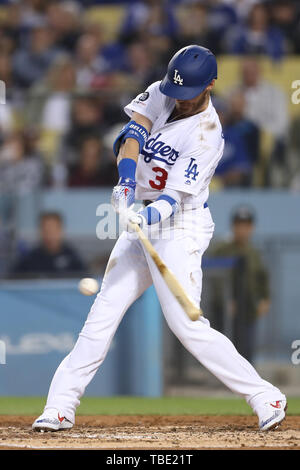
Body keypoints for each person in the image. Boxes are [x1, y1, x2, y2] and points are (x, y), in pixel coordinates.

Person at [32, 45, 286, 433]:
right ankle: (60, 406)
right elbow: (132, 136)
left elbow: (173, 200)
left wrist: (144, 214)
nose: (179, 101)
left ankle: (265, 395)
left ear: (211, 86)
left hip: (180, 224)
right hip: (143, 216)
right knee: (103, 312)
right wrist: (126, 182)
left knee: (186, 324)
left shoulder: (208, 135)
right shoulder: (162, 91)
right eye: (176, 92)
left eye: (188, 95)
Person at [211, 206, 270, 363]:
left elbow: (262, 277)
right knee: (227, 348)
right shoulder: (222, 250)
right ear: (233, 227)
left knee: (247, 347)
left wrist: (265, 298)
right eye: (239, 225)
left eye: (246, 225)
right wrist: (225, 300)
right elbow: (214, 278)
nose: (242, 230)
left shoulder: (254, 253)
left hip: (248, 308)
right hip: (225, 311)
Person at [12, 211, 85, 277]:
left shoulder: (73, 257)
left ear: (60, 230)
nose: (50, 235)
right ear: (40, 231)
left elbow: (85, 278)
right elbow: (12, 282)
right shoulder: (29, 259)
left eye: (53, 230)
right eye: (46, 230)